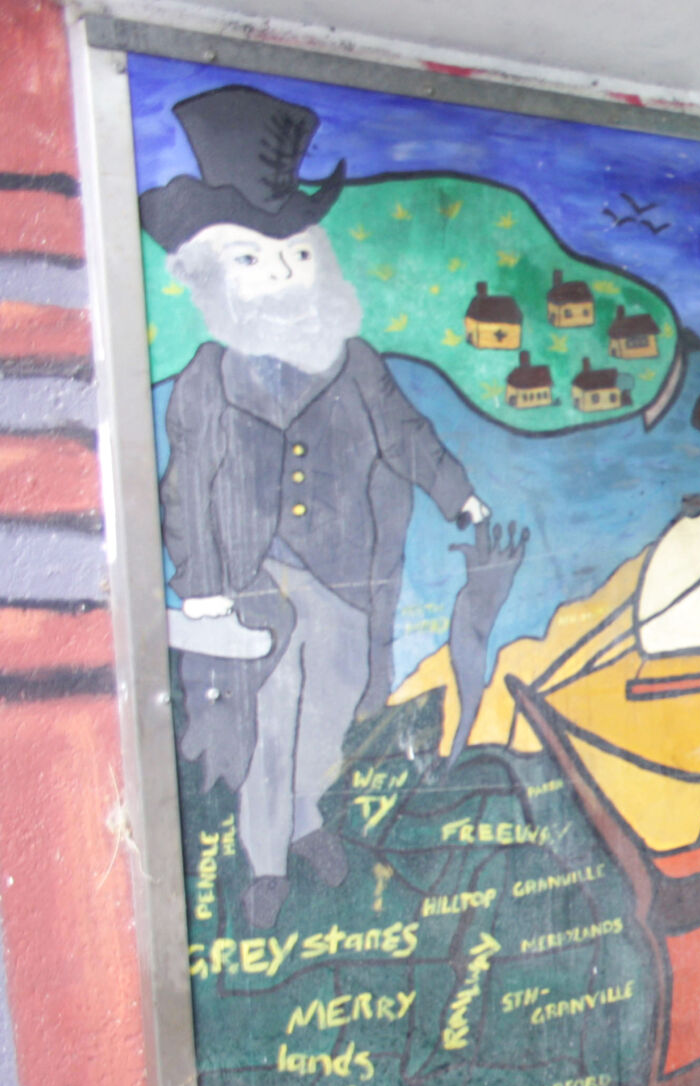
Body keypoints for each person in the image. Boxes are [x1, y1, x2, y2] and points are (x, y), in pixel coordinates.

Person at [143, 85, 489, 930]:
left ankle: (306, 815)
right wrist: (202, 589)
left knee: (332, 702)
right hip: (252, 579)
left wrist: (459, 495)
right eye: (254, 262)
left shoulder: (355, 361)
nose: (281, 278)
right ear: (214, 277)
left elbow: (408, 435)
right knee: (268, 704)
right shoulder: (205, 382)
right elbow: (183, 487)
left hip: (341, 575)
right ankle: (267, 857)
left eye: (295, 256)